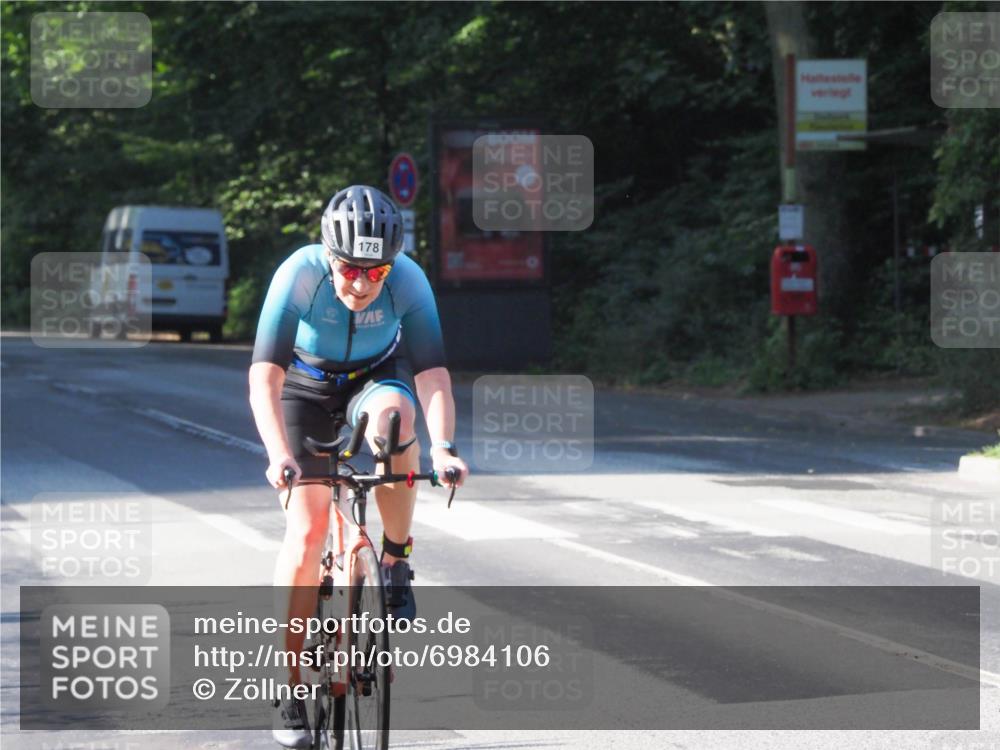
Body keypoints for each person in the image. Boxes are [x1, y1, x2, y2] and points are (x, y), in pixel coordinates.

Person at [248, 185, 468, 748]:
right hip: (305, 387)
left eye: (377, 271)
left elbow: (434, 375)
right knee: (308, 530)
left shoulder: (408, 280)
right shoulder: (298, 274)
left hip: (375, 377)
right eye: (350, 268)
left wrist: (443, 448)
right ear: (328, 253)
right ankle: (290, 682)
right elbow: (265, 379)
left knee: (398, 421)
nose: (363, 284)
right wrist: (278, 455)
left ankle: (396, 557)